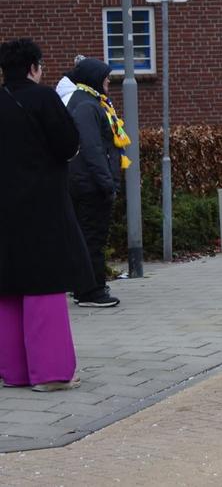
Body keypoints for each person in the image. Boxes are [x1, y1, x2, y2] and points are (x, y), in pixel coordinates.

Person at [0, 38, 93, 391]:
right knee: (45, 285)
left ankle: (14, 372)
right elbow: (69, 145)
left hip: (3, 209)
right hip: (41, 206)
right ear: (33, 67)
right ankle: (50, 373)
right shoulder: (43, 99)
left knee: (7, 287)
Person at [66, 58, 129, 308]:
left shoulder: (88, 102)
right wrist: (107, 183)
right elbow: (92, 148)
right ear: (94, 78)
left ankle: (84, 286)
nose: (108, 81)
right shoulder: (86, 106)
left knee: (87, 236)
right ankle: (91, 291)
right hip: (90, 185)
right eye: (105, 77)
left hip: (87, 182)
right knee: (93, 237)